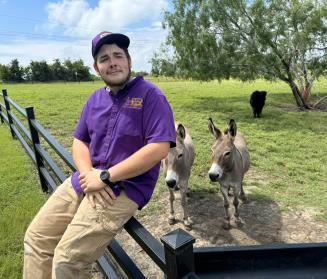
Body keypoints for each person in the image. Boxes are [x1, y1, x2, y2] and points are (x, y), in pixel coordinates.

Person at [23, 31, 176, 279]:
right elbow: (79, 140)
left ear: (129, 61)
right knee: (36, 239)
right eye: (104, 58)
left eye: (118, 55)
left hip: (125, 187)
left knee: (67, 260)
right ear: (97, 68)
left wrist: (105, 177)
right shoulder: (94, 99)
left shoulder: (151, 95)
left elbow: (159, 147)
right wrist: (88, 175)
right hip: (85, 180)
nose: (112, 61)